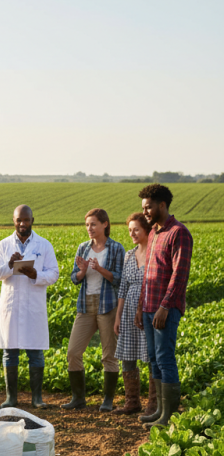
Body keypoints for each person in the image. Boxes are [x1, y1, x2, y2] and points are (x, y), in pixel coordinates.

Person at [0, 205, 59, 409]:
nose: (22, 224)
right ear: (13, 220)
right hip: (11, 306)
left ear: (32, 220)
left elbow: (53, 273)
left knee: (35, 351)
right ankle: (11, 398)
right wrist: (10, 266)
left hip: (33, 306)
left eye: (26, 220)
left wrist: (36, 275)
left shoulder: (44, 245)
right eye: (19, 220)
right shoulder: (3, 245)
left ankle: (36, 398)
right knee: (9, 351)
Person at [135, 183, 193, 427]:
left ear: (162, 205)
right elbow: (148, 273)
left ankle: (168, 415)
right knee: (154, 359)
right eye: (143, 208)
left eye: (148, 207)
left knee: (165, 357)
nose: (145, 212)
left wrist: (165, 307)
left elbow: (179, 275)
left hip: (164, 309)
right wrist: (141, 306)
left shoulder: (179, 233)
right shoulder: (153, 233)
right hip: (149, 306)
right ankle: (160, 410)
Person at [62, 208, 125, 411]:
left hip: (108, 305)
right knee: (73, 351)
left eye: (93, 224)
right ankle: (78, 398)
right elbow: (74, 278)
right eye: (87, 224)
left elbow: (119, 279)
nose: (90, 228)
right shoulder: (83, 248)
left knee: (109, 354)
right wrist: (81, 272)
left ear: (105, 224)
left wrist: (99, 269)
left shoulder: (116, 249)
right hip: (86, 304)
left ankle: (107, 400)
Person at [112, 213, 151, 415]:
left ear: (146, 229)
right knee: (127, 354)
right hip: (128, 310)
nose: (132, 233)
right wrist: (118, 316)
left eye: (136, 229)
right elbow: (123, 289)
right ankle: (132, 402)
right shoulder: (129, 255)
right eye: (129, 230)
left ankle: (153, 404)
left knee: (151, 354)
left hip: (148, 306)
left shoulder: (154, 252)